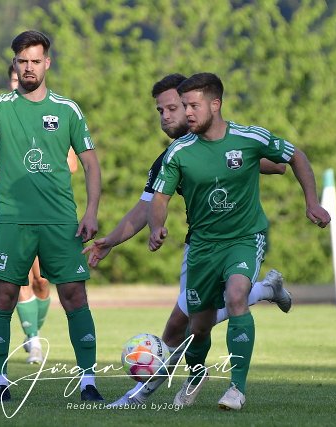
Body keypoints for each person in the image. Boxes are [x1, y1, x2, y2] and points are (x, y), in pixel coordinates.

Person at [82, 73, 291, 407]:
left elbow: (269, 163)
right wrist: (111, 242)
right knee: (192, 324)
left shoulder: (225, 137)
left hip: (237, 240)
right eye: (160, 111)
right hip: (200, 247)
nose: (166, 116)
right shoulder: (171, 157)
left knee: (180, 326)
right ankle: (266, 290)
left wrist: (254, 163)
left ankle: (139, 397)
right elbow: (144, 208)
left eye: (173, 108)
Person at [148, 72, 331, 411]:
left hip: (245, 238)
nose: (187, 113)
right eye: (184, 106)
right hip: (202, 246)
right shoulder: (179, 152)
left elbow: (295, 157)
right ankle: (196, 374)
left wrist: (312, 202)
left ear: (215, 104)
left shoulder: (249, 137)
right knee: (198, 327)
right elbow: (160, 198)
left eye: (193, 106)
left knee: (236, 297)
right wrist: (156, 227)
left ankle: (237, 388)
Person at [0, 30, 103, 403]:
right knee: (3, 296)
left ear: (47, 63)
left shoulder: (67, 109)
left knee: (74, 296)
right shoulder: (1, 106)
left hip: (61, 221)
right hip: (13, 220)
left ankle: (88, 381)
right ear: (14, 64)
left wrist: (91, 211)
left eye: (35, 61)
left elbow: (91, 164)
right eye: (22, 61)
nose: (28, 67)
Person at [0, 64, 79, 365]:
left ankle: (33, 331)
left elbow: (73, 164)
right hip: (15, 212)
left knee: (42, 282)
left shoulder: (55, 115)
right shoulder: (0, 115)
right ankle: (34, 340)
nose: (17, 82)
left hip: (49, 213)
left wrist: (43, 168)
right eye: (13, 78)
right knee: (18, 279)